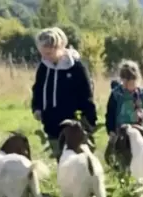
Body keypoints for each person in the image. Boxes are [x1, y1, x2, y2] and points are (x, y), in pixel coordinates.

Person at [31, 27, 97, 160]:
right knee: (61, 161)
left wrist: (89, 123)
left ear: (60, 47)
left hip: (72, 125)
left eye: (49, 53)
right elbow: (38, 89)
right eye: (42, 54)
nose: (45, 57)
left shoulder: (76, 68)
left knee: (77, 161)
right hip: (50, 123)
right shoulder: (44, 67)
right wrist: (37, 108)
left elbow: (87, 96)